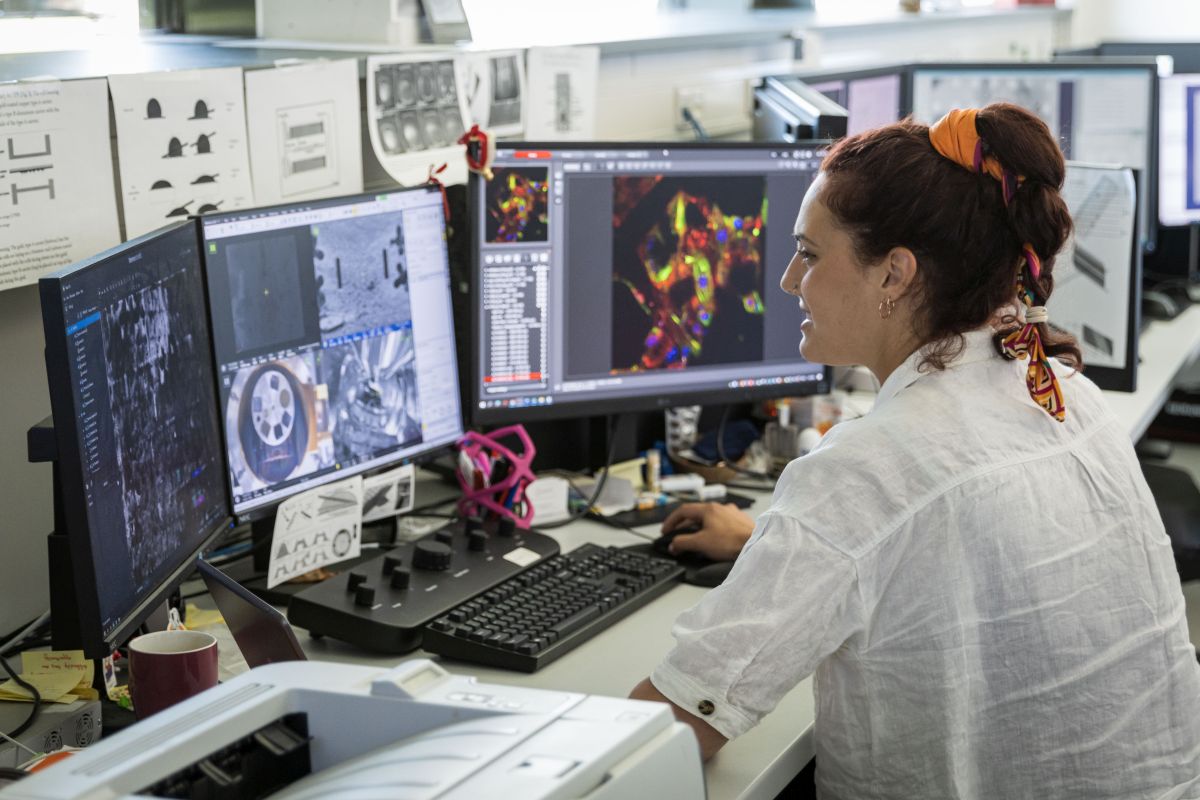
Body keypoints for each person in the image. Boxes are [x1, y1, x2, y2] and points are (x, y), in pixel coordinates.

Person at [630, 103, 1200, 799]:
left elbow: (672, 726)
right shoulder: (1063, 392)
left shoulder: (865, 473)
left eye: (809, 253)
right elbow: (944, 545)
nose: (788, 281)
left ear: (894, 274)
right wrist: (779, 544)